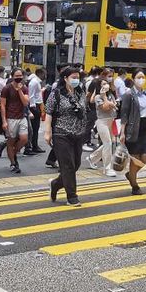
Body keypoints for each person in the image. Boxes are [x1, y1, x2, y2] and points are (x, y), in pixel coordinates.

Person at [45, 67, 88, 207]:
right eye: (73, 77)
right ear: (65, 78)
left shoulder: (80, 92)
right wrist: (47, 132)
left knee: (75, 165)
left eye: (78, 77)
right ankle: (72, 196)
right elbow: (49, 112)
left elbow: (84, 110)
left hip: (78, 133)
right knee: (67, 165)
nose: (76, 80)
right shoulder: (56, 93)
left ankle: (56, 184)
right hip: (61, 133)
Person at [117, 77, 146, 195]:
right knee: (135, 158)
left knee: (145, 158)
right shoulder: (128, 95)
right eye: (139, 77)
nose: (141, 79)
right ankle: (135, 185)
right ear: (133, 79)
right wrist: (122, 132)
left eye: (143, 77)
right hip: (132, 130)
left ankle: (130, 175)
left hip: (144, 130)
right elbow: (124, 114)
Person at [86, 69, 119, 177]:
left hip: (112, 122)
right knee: (108, 143)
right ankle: (107, 168)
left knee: (109, 143)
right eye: (103, 84)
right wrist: (105, 97)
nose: (106, 85)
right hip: (102, 122)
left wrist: (110, 102)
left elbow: (114, 106)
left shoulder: (111, 95)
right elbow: (105, 107)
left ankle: (92, 158)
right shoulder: (97, 97)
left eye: (106, 83)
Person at [0, 67, 31, 174]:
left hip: (22, 117)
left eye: (20, 76)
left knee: (24, 139)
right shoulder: (6, 88)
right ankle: (13, 162)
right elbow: (2, 105)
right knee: (11, 141)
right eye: (16, 76)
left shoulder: (24, 88)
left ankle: (12, 153)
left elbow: (26, 103)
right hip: (10, 118)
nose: (19, 78)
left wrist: (20, 91)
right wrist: (4, 121)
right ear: (12, 76)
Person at [24, 68, 45, 155]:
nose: (45, 76)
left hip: (37, 105)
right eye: (44, 73)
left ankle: (34, 145)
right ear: (40, 73)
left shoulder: (36, 82)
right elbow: (31, 96)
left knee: (35, 128)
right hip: (34, 106)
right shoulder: (34, 82)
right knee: (34, 128)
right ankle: (33, 146)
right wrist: (33, 108)